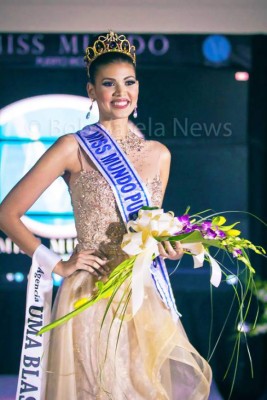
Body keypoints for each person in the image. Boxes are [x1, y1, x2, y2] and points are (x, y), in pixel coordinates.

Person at [0, 31, 212, 399]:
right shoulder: (72, 147)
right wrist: (57, 263)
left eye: (128, 82)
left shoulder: (158, 153)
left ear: (138, 88)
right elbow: (7, 214)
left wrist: (172, 246)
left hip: (143, 295)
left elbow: (150, 225)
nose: (120, 92)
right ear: (91, 90)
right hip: (91, 293)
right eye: (108, 83)